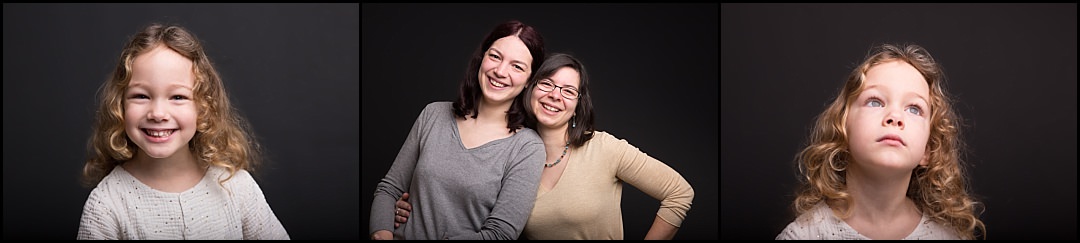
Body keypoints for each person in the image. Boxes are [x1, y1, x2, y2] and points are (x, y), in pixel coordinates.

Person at [393, 53, 695, 240]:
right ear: (529, 89)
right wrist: (412, 208)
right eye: (546, 84)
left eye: (568, 90)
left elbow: (679, 193)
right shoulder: (509, 153)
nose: (555, 95)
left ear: (578, 105)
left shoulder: (605, 149)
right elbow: (471, 212)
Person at [77, 23, 289, 240]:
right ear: (119, 105)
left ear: (204, 106)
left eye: (178, 97)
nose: (158, 113)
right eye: (141, 96)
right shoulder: (106, 204)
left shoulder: (235, 187)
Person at [775, 43, 985, 240]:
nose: (895, 117)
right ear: (842, 130)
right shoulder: (804, 235)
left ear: (928, 150)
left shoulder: (947, 237)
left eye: (914, 108)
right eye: (875, 101)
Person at [368, 20, 547, 240]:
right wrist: (382, 232)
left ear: (530, 80)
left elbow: (500, 234)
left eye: (517, 66)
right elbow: (389, 189)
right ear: (482, 58)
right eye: (495, 56)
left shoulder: (527, 147)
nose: (500, 71)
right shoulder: (433, 114)